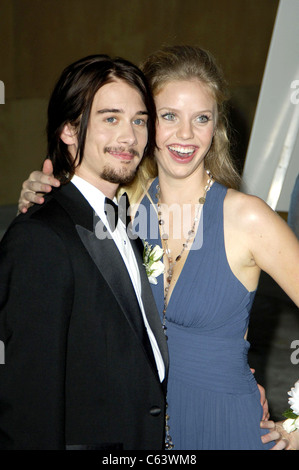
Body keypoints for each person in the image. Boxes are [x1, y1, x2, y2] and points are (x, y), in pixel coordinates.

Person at [17, 46, 297, 450]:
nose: (186, 135)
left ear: (215, 127)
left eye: (201, 119)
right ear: (146, 126)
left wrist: (297, 424)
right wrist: (38, 194)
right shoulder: (124, 211)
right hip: (140, 432)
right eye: (169, 117)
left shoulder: (246, 218)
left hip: (227, 427)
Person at [0, 54, 169, 450]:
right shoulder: (40, 238)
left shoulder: (128, 221)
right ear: (68, 130)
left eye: (139, 120)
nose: (129, 137)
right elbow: (26, 402)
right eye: (110, 118)